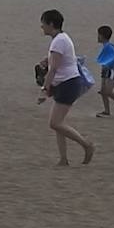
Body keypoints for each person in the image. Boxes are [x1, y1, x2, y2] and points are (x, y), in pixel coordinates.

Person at [38, 9, 96, 166]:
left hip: (68, 84)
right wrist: (46, 60)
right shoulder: (61, 38)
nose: (42, 27)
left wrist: (44, 89)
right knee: (58, 123)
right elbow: (59, 60)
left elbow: (54, 69)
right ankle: (63, 159)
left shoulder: (58, 41)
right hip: (66, 83)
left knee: (55, 123)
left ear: (51, 24)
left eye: (43, 23)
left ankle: (86, 145)